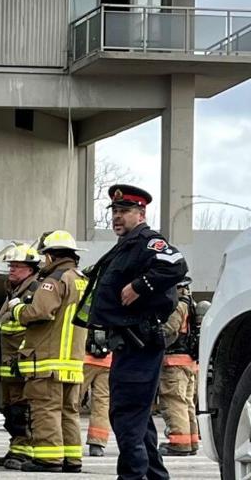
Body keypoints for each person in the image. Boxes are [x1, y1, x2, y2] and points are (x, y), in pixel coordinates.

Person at [74, 185, 188, 480]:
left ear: (141, 213)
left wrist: (140, 286)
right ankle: (154, 477)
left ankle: (131, 477)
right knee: (137, 418)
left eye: (124, 211)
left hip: (141, 341)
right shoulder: (125, 246)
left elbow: (176, 265)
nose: (117, 217)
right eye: (114, 211)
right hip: (126, 343)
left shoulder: (148, 241)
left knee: (126, 415)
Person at [11, 230, 87, 473]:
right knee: (69, 412)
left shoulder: (53, 279)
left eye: (45, 257)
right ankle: (72, 459)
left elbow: (40, 312)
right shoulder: (81, 279)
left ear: (52, 256)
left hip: (48, 360)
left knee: (46, 409)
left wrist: (18, 309)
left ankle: (48, 458)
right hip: (73, 362)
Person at [0, 242, 41, 470]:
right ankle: (16, 448)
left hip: (19, 362)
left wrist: (22, 357)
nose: (11, 270)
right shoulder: (14, 292)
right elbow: (2, 326)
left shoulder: (34, 291)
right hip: (6, 364)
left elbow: (32, 329)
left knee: (22, 409)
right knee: (9, 410)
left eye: (17, 266)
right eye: (10, 265)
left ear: (30, 269)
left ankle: (26, 451)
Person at [158, 278, 200, 457]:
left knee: (174, 401)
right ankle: (191, 441)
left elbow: (169, 329)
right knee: (187, 403)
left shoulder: (177, 305)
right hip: (189, 363)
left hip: (174, 363)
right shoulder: (192, 303)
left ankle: (179, 443)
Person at [82, 325, 113, 457]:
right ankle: (97, 444)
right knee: (102, 404)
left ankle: (64, 439)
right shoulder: (114, 306)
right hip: (108, 360)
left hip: (84, 360)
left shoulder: (87, 306)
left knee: (70, 402)